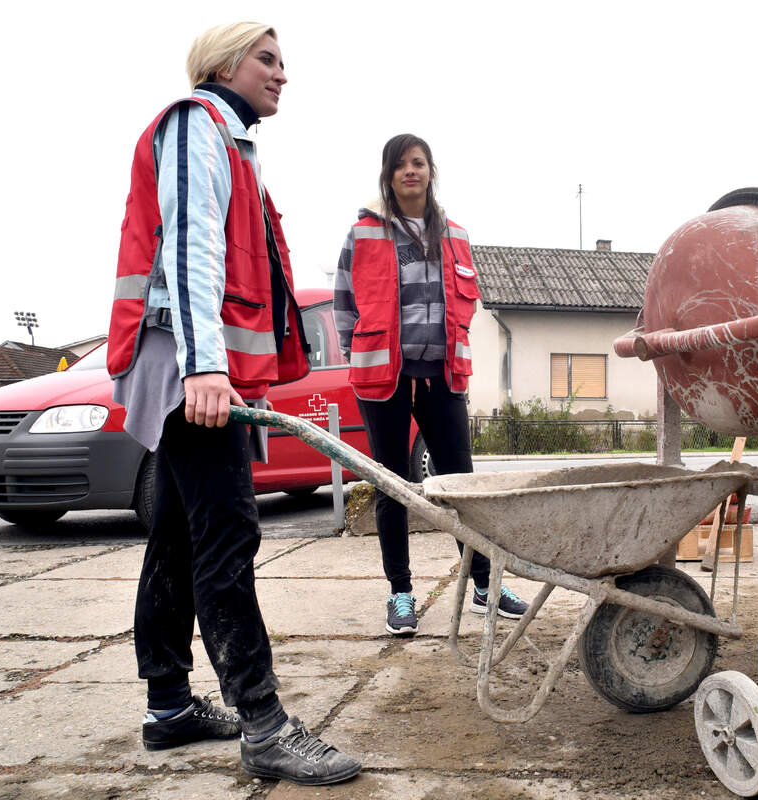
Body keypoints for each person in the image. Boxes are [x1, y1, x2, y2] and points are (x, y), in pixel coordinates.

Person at [108, 22, 361, 784]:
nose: (282, 74)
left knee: (182, 537)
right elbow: (191, 248)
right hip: (186, 367)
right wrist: (204, 367)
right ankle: (263, 722)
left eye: (284, 62)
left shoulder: (230, 142)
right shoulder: (199, 125)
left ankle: (169, 705)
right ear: (224, 64)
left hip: (183, 365)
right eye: (267, 59)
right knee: (227, 535)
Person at [333, 134, 529, 636]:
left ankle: (484, 583)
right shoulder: (364, 233)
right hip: (385, 379)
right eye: (400, 166)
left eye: (418, 163)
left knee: (461, 483)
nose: (410, 172)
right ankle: (400, 592)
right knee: (392, 485)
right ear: (388, 175)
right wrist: (357, 355)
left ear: (430, 170)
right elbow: (344, 303)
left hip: (442, 378)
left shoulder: (456, 235)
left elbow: (467, 304)